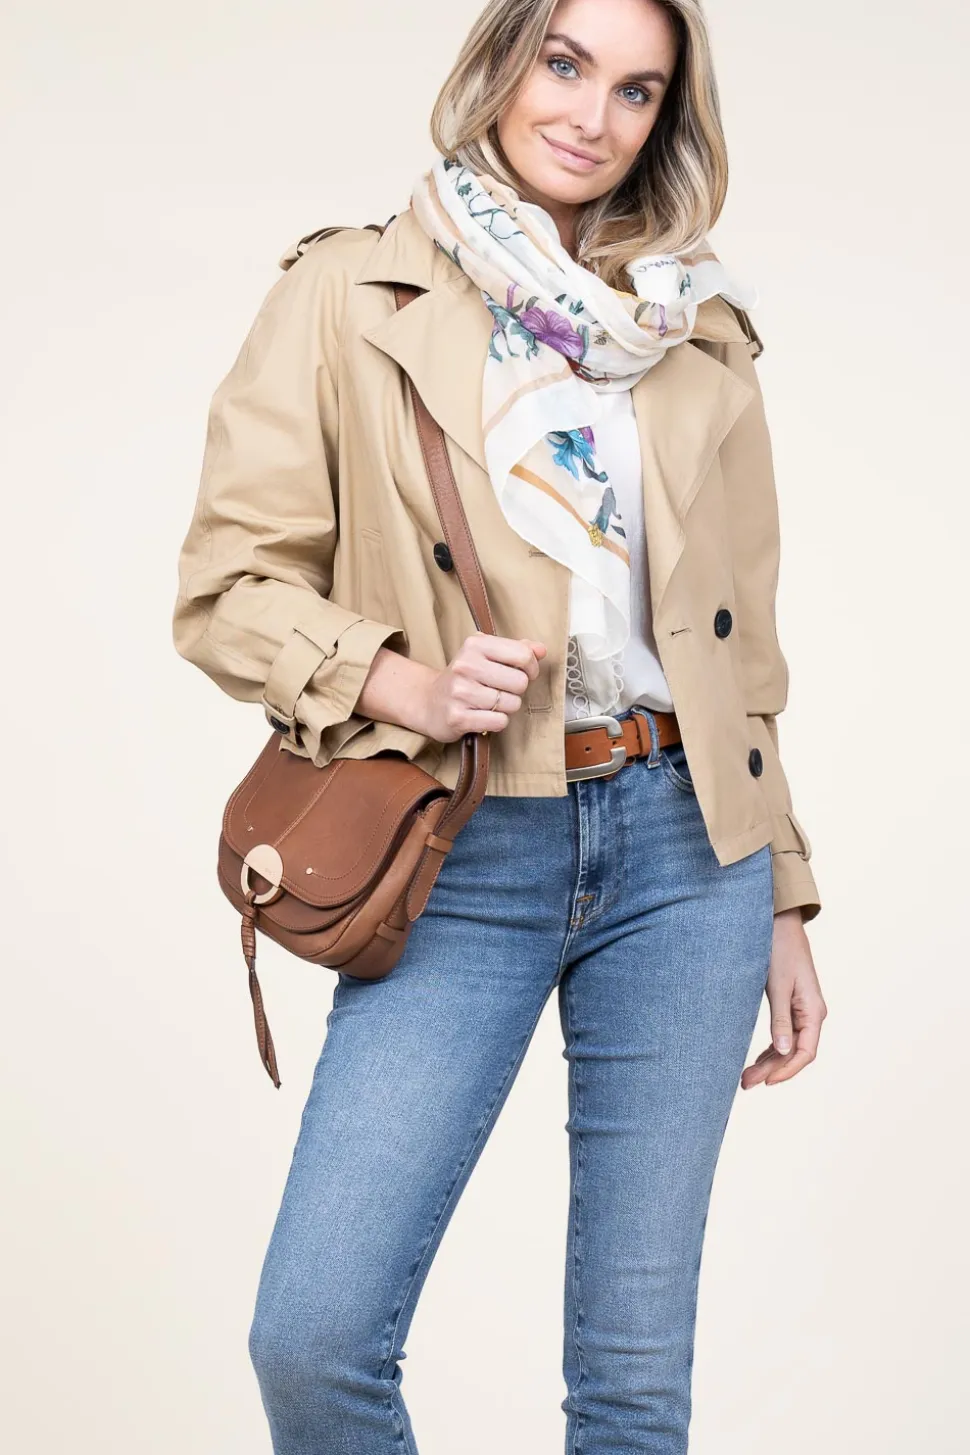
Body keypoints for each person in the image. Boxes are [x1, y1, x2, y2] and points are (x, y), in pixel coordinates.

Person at [172, 0, 827, 1449]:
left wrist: (783, 889)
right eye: (565, 63)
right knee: (315, 1335)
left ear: (668, 118)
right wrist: (397, 682)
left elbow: (743, 645)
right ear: (502, 59)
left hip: (689, 854)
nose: (592, 116)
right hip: (461, 843)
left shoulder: (698, 330)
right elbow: (226, 586)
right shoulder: (349, 291)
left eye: (637, 90)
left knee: (632, 1388)